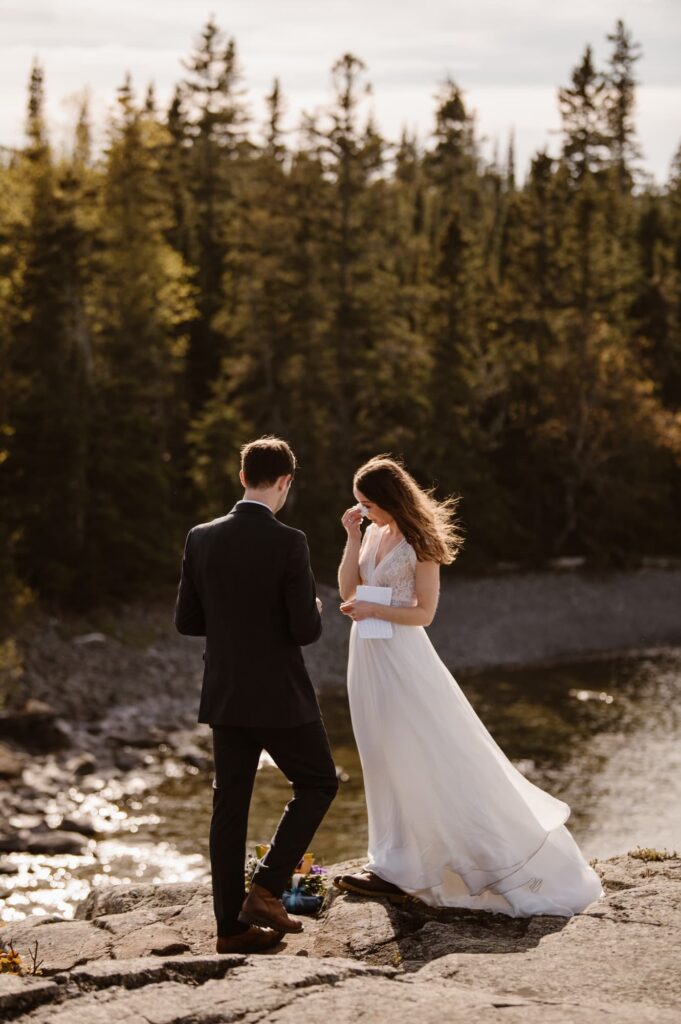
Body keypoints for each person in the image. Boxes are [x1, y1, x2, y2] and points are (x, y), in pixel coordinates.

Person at [335, 454, 604, 917]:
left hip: (403, 656)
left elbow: (425, 614)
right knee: (380, 756)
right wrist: (352, 536)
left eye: (369, 505)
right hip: (367, 655)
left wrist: (375, 610)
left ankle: (434, 862)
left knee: (425, 753)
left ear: (390, 500)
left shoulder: (420, 541)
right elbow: (347, 590)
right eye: (359, 505)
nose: (365, 511)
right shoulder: (372, 532)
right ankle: (393, 861)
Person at [175, 436, 338, 954]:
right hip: (281, 695)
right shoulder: (290, 541)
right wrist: (312, 608)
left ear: (242, 477)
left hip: (225, 693)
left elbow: (187, 621)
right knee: (318, 783)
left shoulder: (200, 537)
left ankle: (230, 928)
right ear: (285, 482)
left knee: (230, 809)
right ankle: (267, 889)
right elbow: (304, 630)